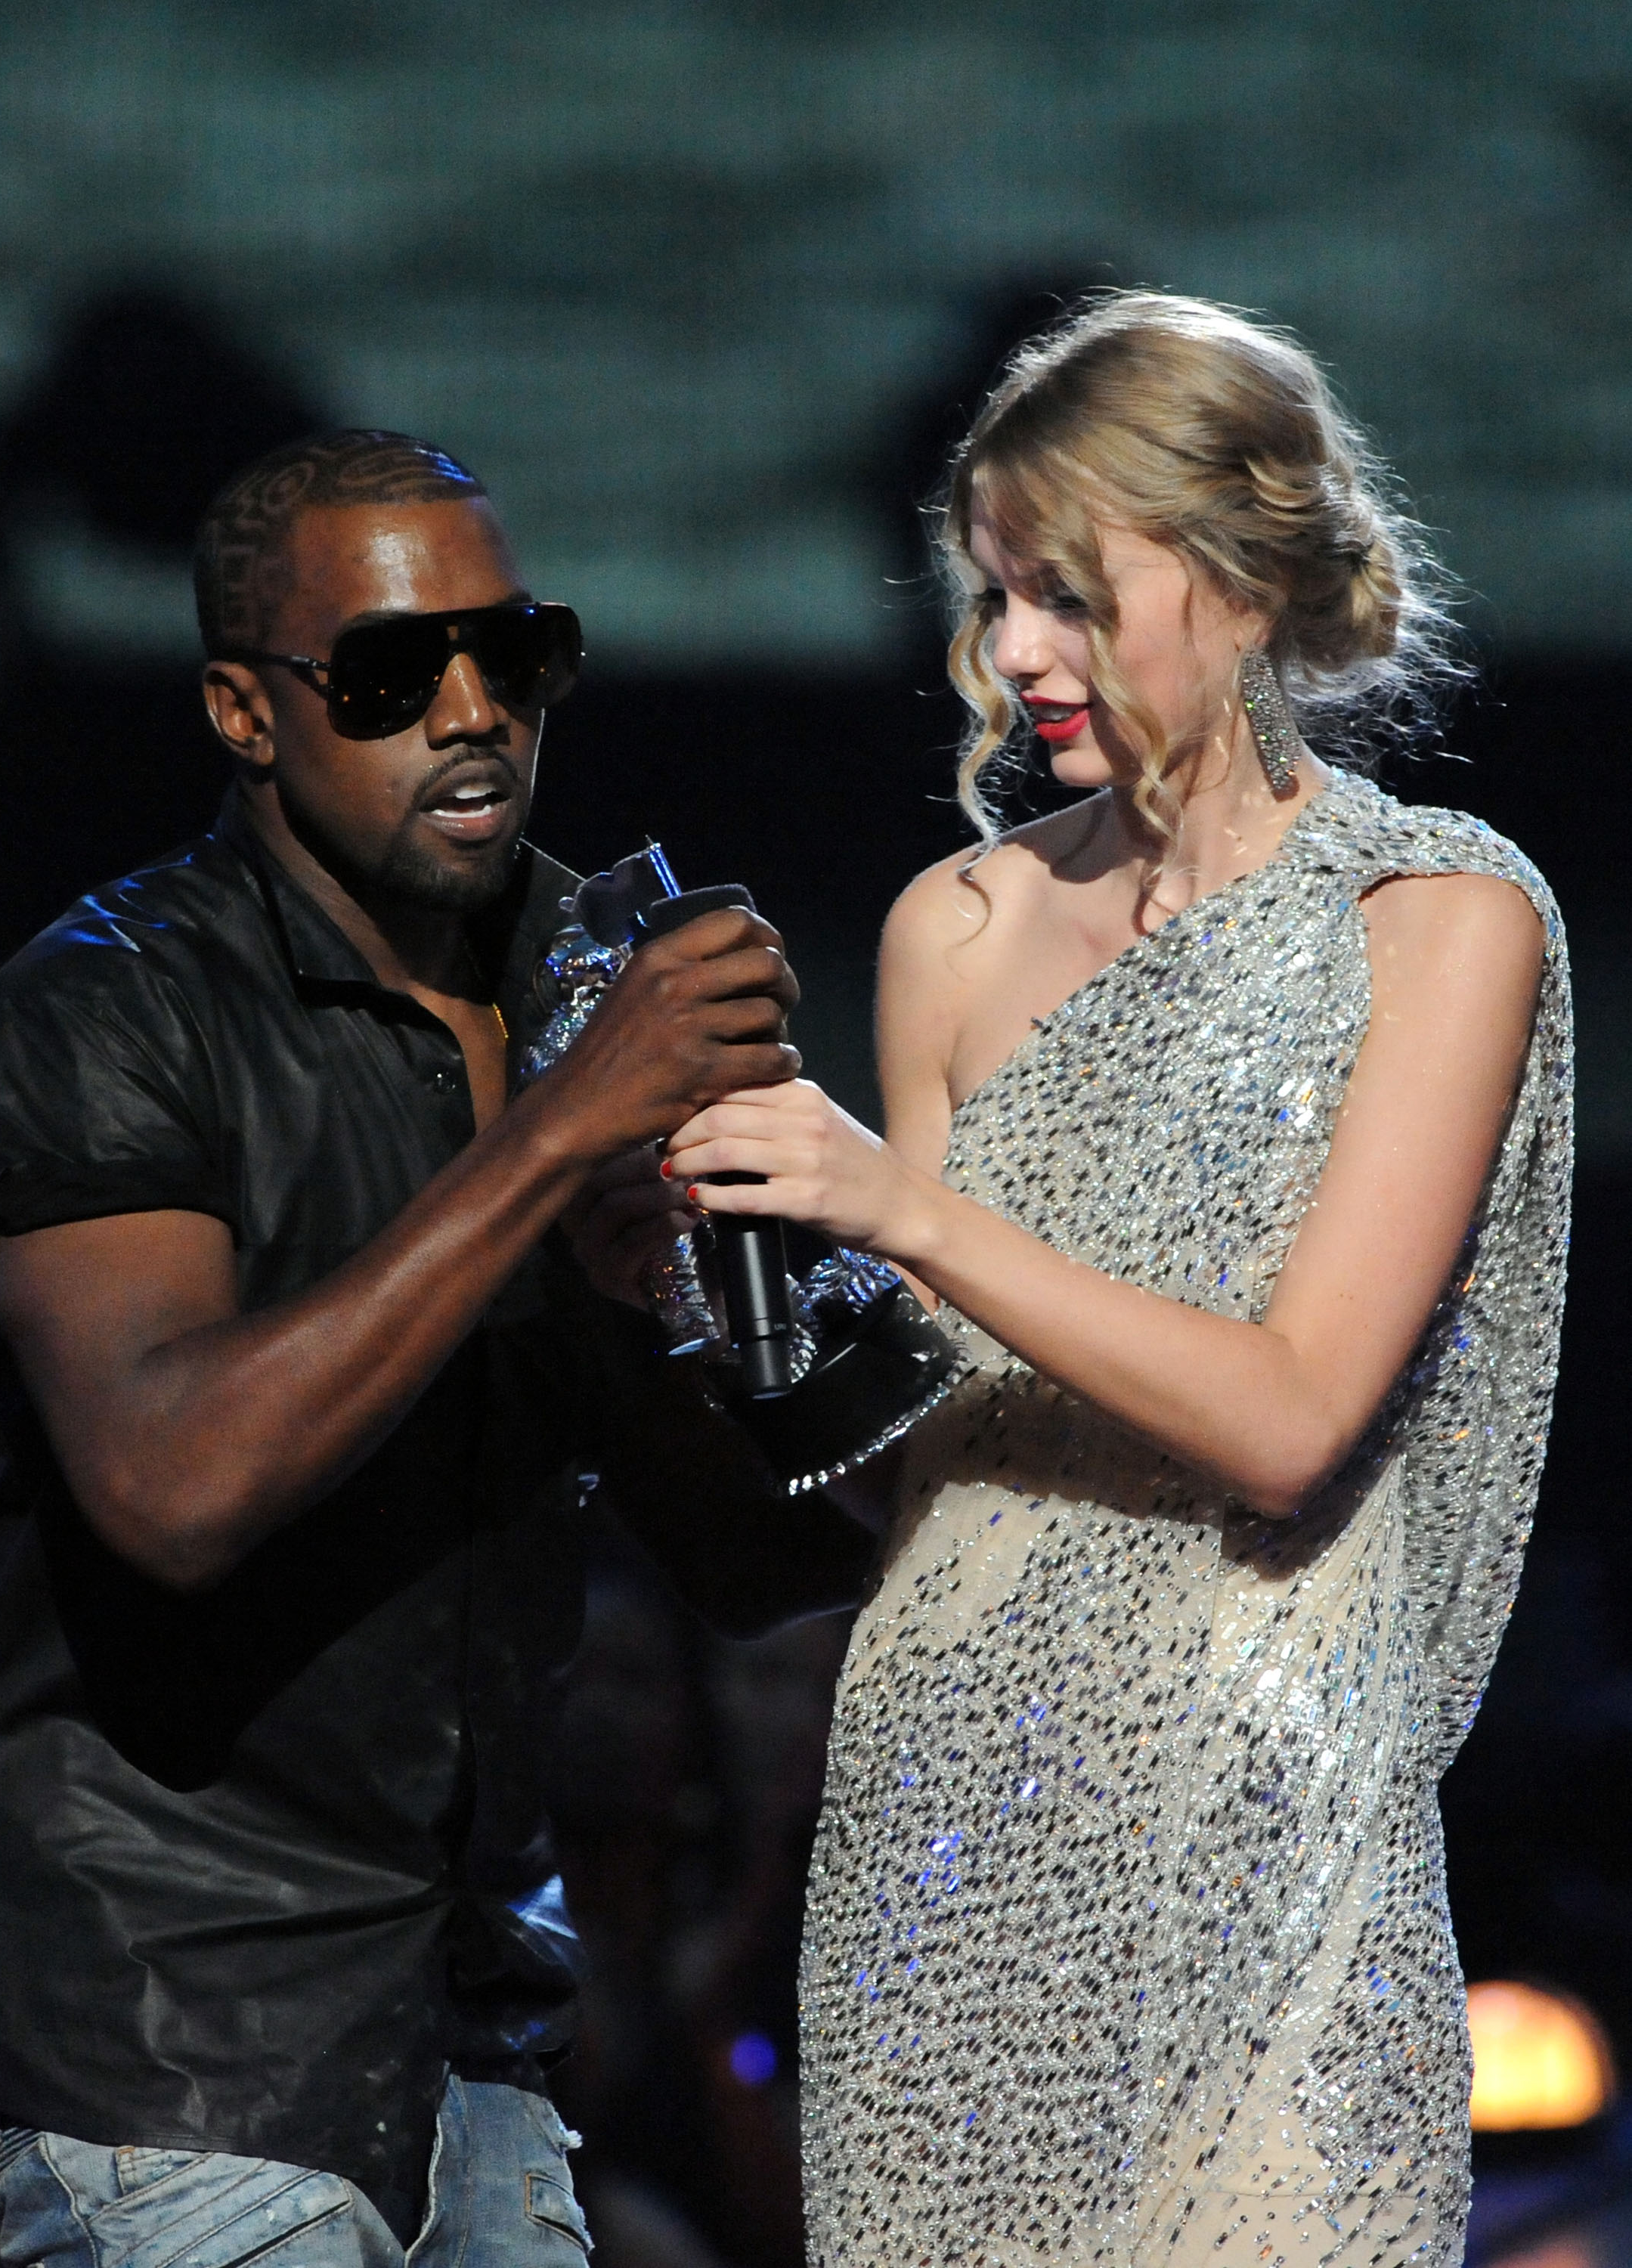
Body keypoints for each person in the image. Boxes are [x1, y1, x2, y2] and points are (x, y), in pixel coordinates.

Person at [0, 429, 872, 2267]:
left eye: (519, 651)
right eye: (399, 674)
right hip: (174, 2038)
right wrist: (559, 1135)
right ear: (247, 715)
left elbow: (755, 1561)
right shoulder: (105, 1015)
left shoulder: (589, 972)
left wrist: (689, 1287)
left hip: (478, 2027)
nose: (474, 711)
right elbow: (171, 1487)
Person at [665, 294, 1572, 2266]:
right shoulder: (957, 927)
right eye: (995, 597)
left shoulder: (1435, 919)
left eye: (1068, 596)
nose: (1009, 655)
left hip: (1264, 1832)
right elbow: (905, 1436)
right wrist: (706, 1278)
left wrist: (901, 1211)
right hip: (949, 1825)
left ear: (1244, 581)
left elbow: (1285, 1415)